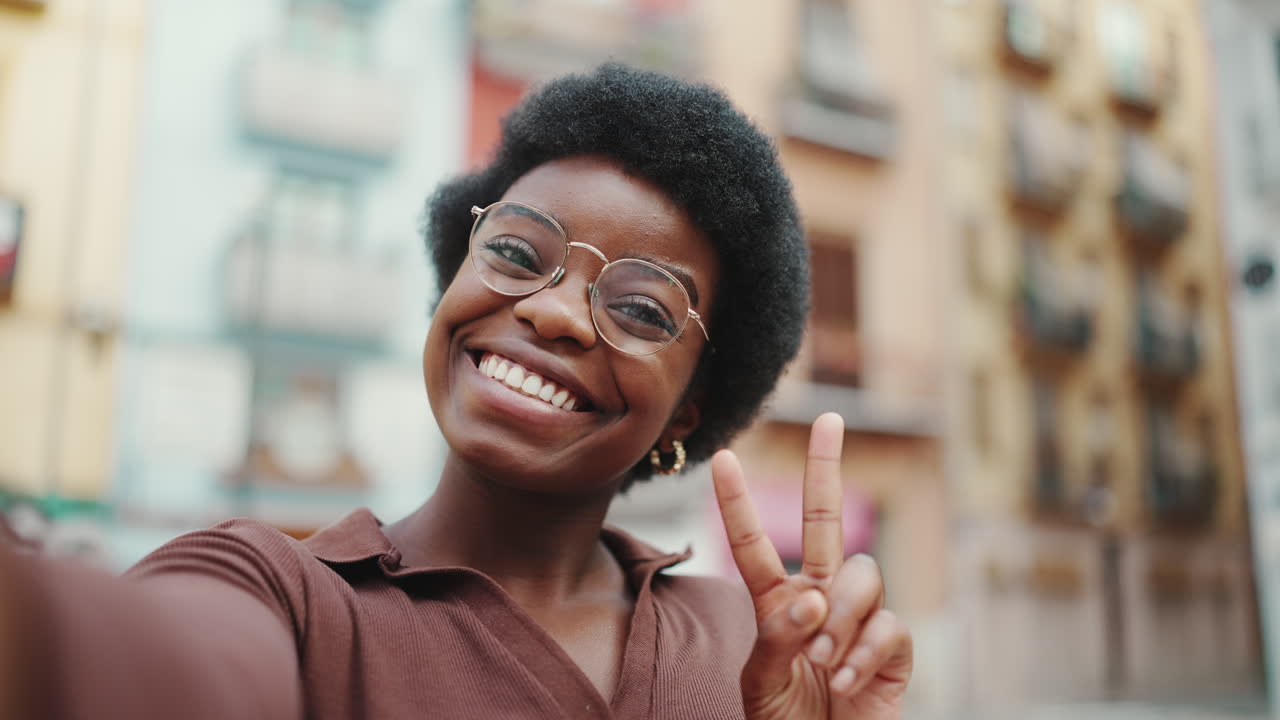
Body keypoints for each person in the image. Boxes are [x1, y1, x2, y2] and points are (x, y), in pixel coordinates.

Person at [0, 63, 912, 719]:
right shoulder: (283, 596)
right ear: (451, 285)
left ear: (688, 409)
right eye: (516, 253)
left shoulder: (750, 642)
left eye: (639, 308)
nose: (555, 315)